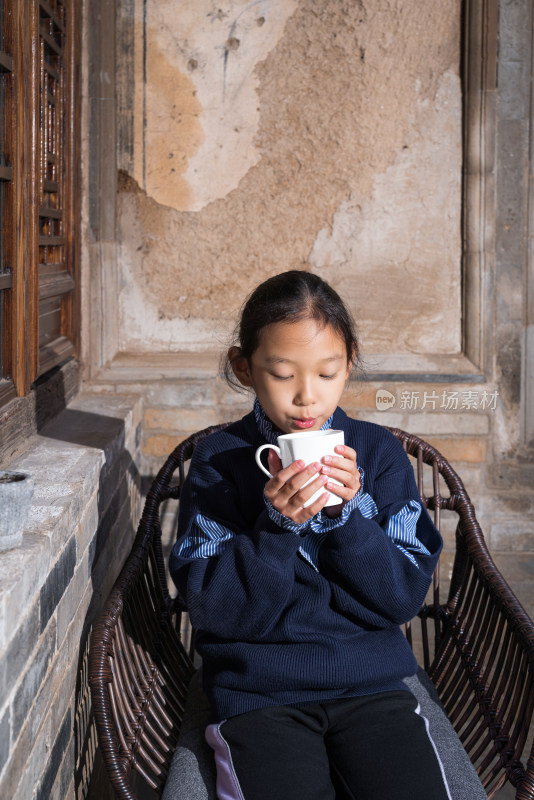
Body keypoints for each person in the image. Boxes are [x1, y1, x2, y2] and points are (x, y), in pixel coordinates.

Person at [170, 270, 451, 800]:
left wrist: (347, 516)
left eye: (327, 374)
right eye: (281, 374)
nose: (307, 398)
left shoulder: (378, 455)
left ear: (349, 364)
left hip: (372, 683)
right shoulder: (220, 463)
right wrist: (275, 528)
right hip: (259, 692)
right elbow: (215, 612)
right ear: (244, 368)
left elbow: (401, 598)